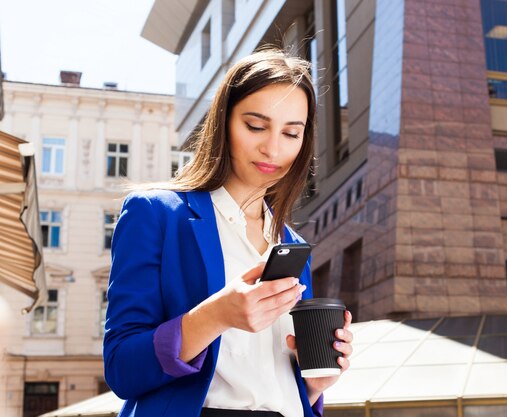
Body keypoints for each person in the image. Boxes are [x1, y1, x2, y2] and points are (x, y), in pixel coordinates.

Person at [103, 48, 353, 417]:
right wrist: (216, 315)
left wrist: (314, 384)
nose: (273, 147)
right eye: (256, 126)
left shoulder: (292, 244)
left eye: (291, 133)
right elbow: (122, 368)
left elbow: (283, 385)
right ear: (224, 122)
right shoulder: (156, 213)